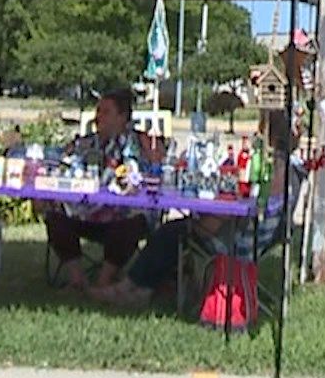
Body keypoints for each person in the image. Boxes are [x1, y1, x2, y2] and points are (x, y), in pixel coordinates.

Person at [91, 110, 299, 310]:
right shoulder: (291, 171)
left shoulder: (274, 172)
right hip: (258, 237)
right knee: (179, 230)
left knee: (170, 233)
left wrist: (206, 218)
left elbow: (239, 209)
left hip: (238, 241)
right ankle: (145, 286)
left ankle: (134, 289)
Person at [43, 88, 159, 290]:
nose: (98, 117)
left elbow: (155, 172)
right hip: (85, 213)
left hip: (121, 217)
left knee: (133, 222)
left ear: (122, 117)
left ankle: (103, 282)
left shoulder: (141, 143)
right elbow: (59, 162)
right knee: (54, 215)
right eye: (98, 111)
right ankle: (77, 278)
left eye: (105, 112)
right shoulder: (85, 143)